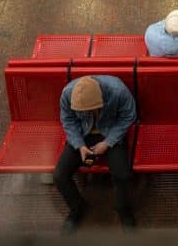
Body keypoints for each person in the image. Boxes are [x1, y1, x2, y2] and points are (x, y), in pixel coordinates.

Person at [53, 75, 137, 234]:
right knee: (59, 176)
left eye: (90, 110)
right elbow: (68, 120)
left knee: (122, 175)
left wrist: (107, 143)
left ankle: (123, 209)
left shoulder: (117, 91)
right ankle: (77, 208)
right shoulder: (67, 94)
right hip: (82, 135)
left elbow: (129, 116)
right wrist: (80, 145)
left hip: (110, 133)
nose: (86, 113)